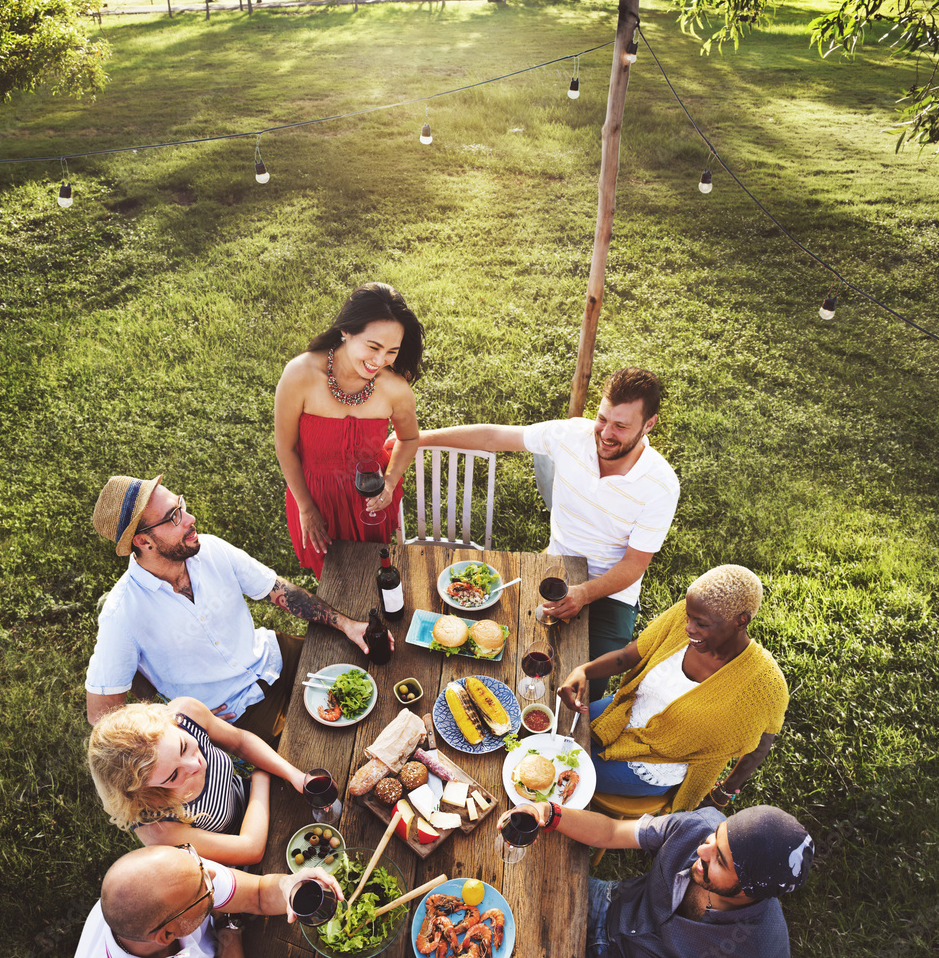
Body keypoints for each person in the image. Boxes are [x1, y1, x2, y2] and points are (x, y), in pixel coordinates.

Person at [416, 366, 679, 698]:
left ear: (649, 424)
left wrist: (584, 593)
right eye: (602, 419)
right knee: (509, 652)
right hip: (558, 565)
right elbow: (493, 437)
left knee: (582, 686)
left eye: (621, 426)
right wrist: (417, 438)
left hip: (612, 593)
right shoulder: (571, 435)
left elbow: (634, 565)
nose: (605, 433)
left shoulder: (661, 485)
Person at [86, 474, 391, 741]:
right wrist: (169, 719)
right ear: (143, 540)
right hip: (236, 714)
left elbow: (279, 591)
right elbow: (101, 715)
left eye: (182, 505)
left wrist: (347, 625)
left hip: (273, 655)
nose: (191, 518)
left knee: (373, 673)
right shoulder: (122, 614)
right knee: (328, 748)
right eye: (174, 516)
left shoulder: (211, 549)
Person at [558, 565, 788, 811]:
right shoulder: (685, 616)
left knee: (560, 770)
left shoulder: (764, 684)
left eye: (700, 623)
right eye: (689, 617)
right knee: (548, 734)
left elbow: (763, 741)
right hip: (623, 711)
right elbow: (627, 656)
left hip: (657, 762)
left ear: (740, 621)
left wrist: (725, 791)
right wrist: (584, 670)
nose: (688, 627)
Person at [496, 801, 814, 958]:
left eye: (719, 859)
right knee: (501, 895)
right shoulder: (699, 825)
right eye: (715, 839)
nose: (702, 849)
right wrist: (550, 813)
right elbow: (610, 832)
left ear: (749, 890)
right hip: (606, 903)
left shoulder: (762, 948)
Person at [275, 282, 424, 578]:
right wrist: (306, 508)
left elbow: (409, 438)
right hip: (316, 497)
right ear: (346, 330)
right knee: (332, 579)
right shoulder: (300, 374)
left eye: (391, 351)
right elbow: (285, 447)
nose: (379, 361)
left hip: (370, 498)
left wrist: (391, 483)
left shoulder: (395, 388)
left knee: (374, 572)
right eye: (373, 347)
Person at [88, 697, 306, 865]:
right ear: (145, 791)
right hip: (248, 857)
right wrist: (260, 777)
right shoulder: (156, 826)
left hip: (263, 798)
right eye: (173, 775)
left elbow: (240, 743)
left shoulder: (186, 715)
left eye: (183, 746)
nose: (195, 765)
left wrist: (294, 774)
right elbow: (250, 849)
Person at [74, 841, 342, 958]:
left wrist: (288, 884)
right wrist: (229, 933)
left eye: (192, 858)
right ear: (167, 934)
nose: (213, 873)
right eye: (203, 889)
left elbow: (258, 894)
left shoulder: (183, 875)